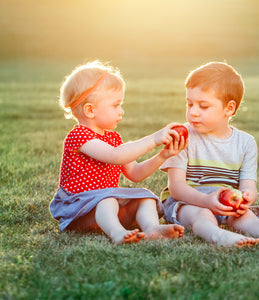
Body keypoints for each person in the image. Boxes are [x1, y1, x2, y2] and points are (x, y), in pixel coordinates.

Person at [50, 61, 185, 244]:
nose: (121, 112)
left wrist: (163, 155)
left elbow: (135, 174)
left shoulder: (114, 138)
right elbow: (116, 156)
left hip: (106, 207)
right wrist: (153, 139)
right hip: (78, 211)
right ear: (90, 110)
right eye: (116, 105)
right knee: (108, 200)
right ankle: (117, 233)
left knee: (145, 197)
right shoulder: (79, 135)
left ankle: (152, 228)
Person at [160, 62, 259, 247]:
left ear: (229, 108)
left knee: (244, 216)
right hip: (189, 202)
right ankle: (216, 235)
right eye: (190, 104)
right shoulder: (182, 137)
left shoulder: (245, 142)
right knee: (201, 215)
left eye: (203, 106)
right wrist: (205, 201)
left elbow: (248, 186)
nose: (193, 112)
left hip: (227, 203)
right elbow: (176, 187)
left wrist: (245, 199)